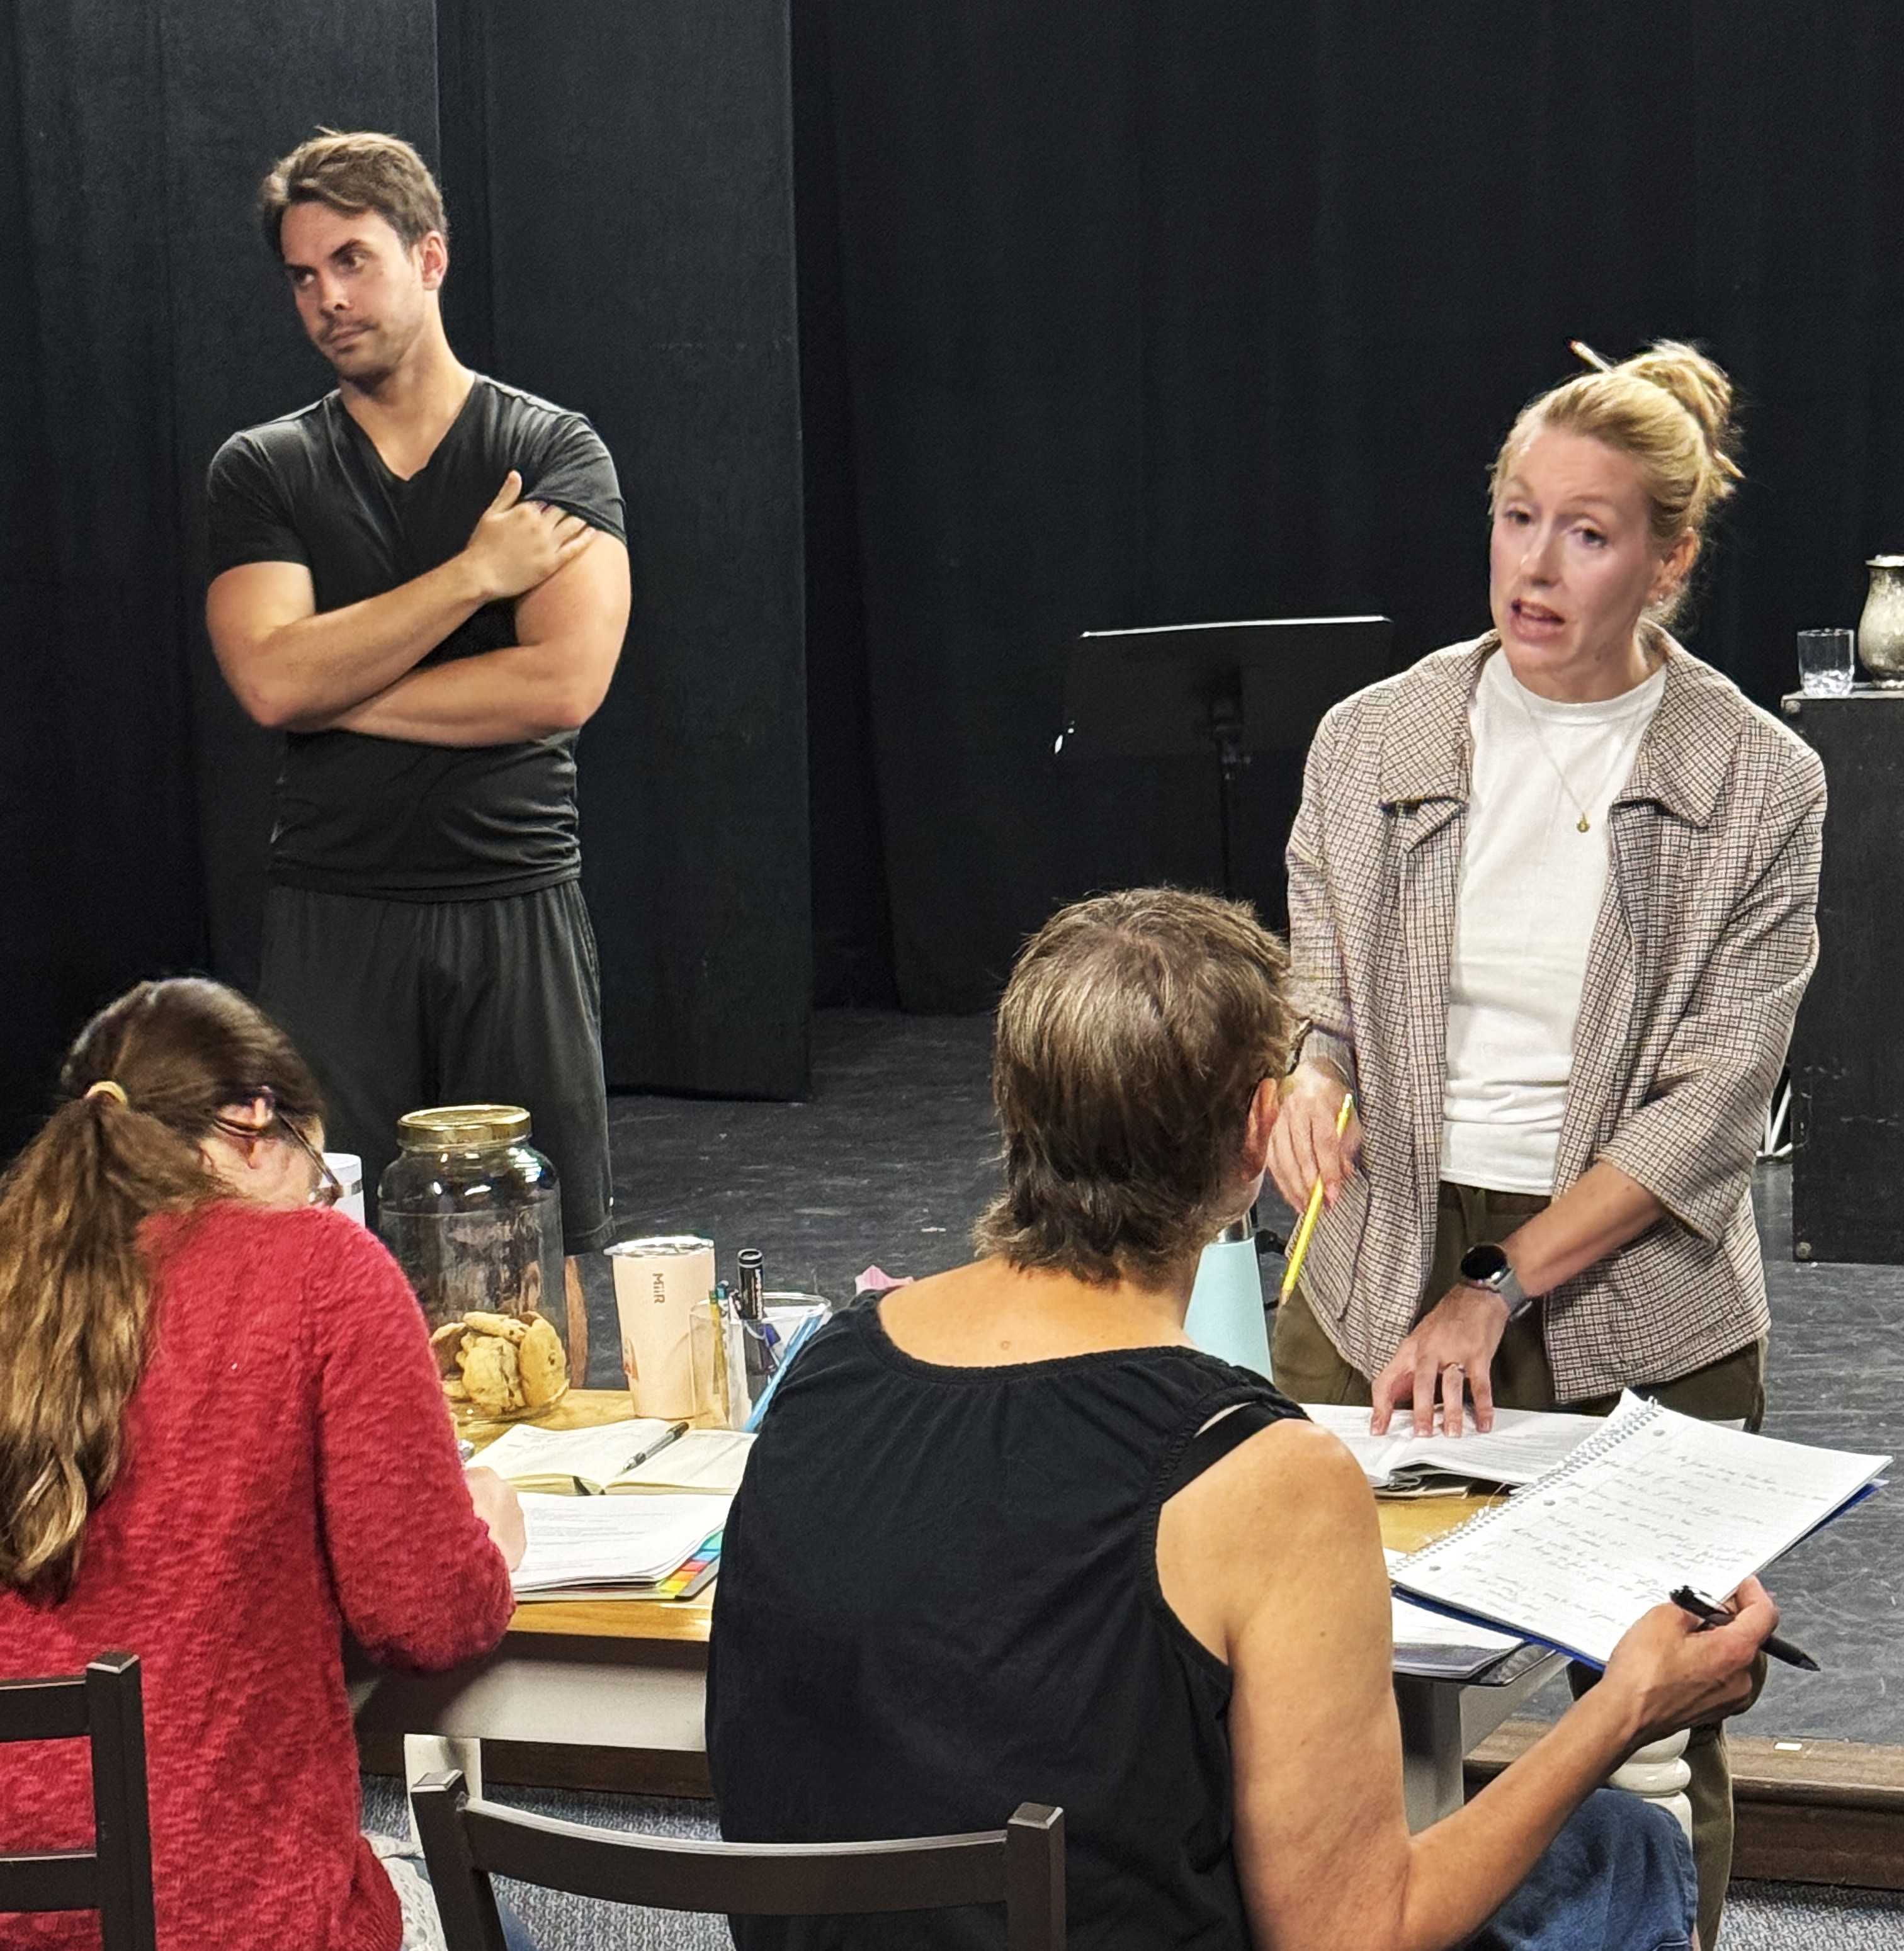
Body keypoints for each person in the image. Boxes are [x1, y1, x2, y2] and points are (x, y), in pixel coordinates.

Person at [707, 887, 1774, 1951]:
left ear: (1013, 1107)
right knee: (1620, 1849)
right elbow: (1352, 1938)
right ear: (1262, 1132)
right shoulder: (1258, 1472)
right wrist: (1622, 1706)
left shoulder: (827, 1364)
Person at [1266, 340, 1825, 1945]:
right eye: (1519, 517)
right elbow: (1324, 998)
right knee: (1325, 1690)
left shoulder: (1755, 777)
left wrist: (1497, 1286)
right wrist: (1309, 1073)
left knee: (1656, 1706)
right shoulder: (1374, 736)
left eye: (1588, 531)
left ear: (1670, 558)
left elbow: (1713, 1104)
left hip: (1634, 1283)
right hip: (1379, 1258)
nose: (1538, 561)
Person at [0, 978, 529, 1950]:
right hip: (242, 1919)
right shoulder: (321, 1274)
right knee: (486, 1913)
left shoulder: (17, 1286)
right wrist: (489, 1534)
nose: (319, 1200)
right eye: (319, 1169)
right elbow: (423, 1614)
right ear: (252, 1122)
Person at [204, 130, 632, 1288]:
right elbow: (267, 678)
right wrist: (471, 579)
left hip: (513, 898)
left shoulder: (551, 451)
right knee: (325, 1261)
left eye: (352, 260)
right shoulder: (265, 468)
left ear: (429, 258)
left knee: (539, 1263)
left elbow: (561, 685)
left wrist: (332, 685)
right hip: (335, 911)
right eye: (302, 275)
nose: (328, 298)